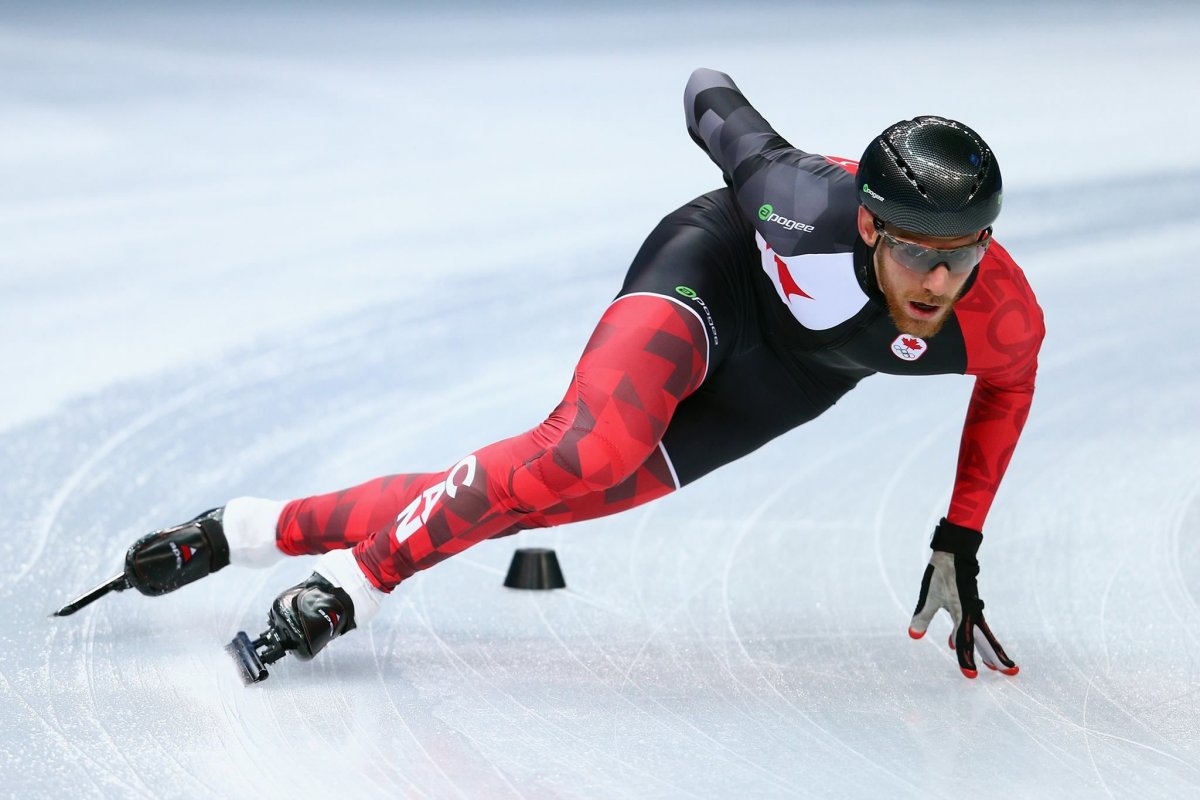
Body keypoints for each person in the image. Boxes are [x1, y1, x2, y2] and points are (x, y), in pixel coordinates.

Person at [109, 68, 1044, 680]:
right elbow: (708, 94)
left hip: (786, 384)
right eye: (922, 253)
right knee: (588, 447)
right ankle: (358, 579)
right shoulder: (797, 201)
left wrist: (959, 535)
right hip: (710, 274)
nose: (941, 282)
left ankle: (248, 529)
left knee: (537, 501)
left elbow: (1010, 387)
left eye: (964, 255)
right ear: (873, 225)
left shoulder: (998, 314)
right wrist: (363, 581)